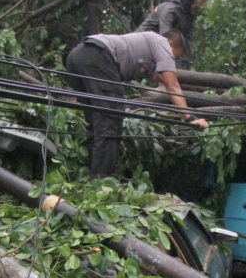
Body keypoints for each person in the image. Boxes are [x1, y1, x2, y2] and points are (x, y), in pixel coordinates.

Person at [65, 29, 208, 179]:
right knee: (111, 120)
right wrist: (190, 118)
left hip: (77, 56)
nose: (172, 61)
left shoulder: (147, 45)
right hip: (98, 57)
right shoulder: (162, 43)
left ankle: (87, 177)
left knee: (97, 123)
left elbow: (161, 78)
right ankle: (100, 181)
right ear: (171, 44)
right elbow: (172, 86)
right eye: (175, 57)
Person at [138, 0, 212, 69]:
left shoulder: (189, 13)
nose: (198, 7)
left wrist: (189, 65)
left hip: (165, 46)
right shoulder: (170, 10)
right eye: (197, 3)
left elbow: (187, 40)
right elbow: (164, 40)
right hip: (144, 47)